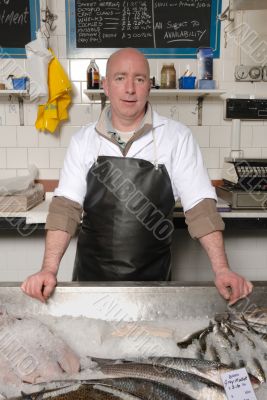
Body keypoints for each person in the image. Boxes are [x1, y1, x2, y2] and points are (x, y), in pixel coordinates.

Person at [21, 48, 253, 305]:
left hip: (153, 286)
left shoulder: (176, 137)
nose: (130, 88)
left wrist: (221, 269)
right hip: (90, 284)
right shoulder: (83, 141)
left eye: (139, 79)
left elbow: (200, 207)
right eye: (120, 78)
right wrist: (48, 269)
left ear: (149, 87)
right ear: (106, 86)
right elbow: (66, 208)